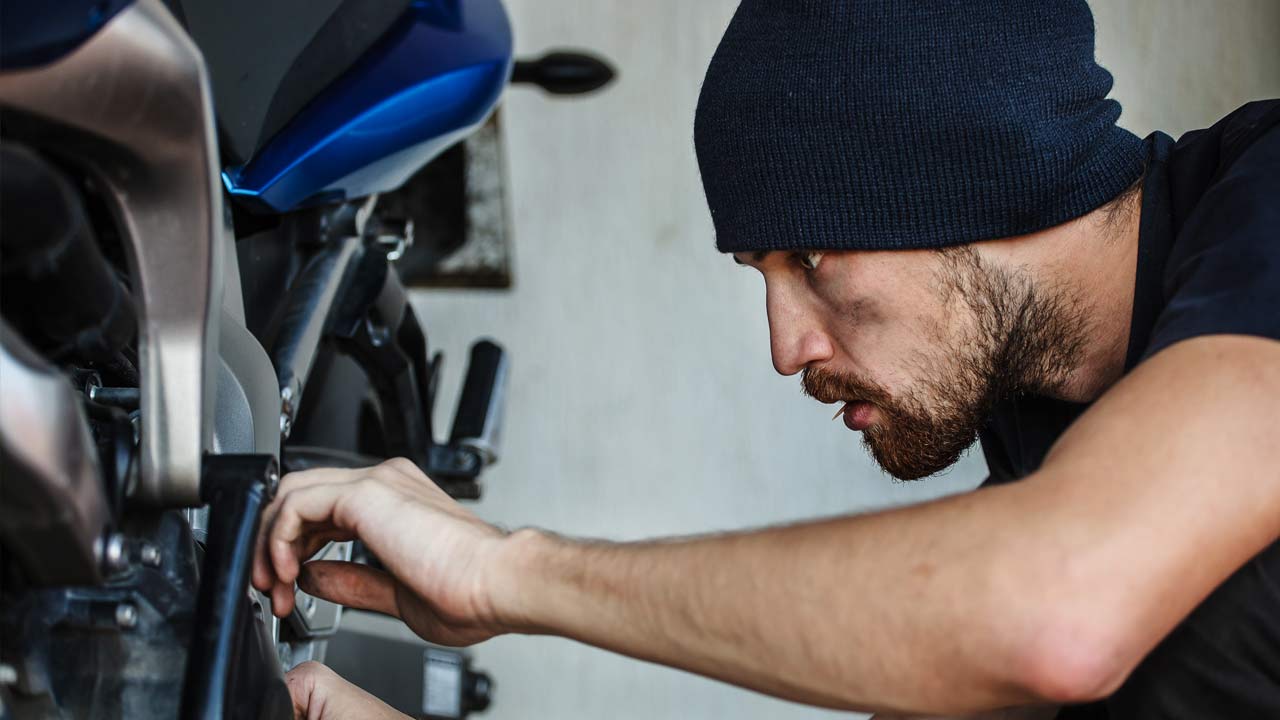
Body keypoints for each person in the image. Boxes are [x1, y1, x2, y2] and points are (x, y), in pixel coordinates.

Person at [256, 1, 1280, 717]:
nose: (786, 348)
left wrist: (503, 573)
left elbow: (1058, 612)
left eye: (808, 256)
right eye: (760, 272)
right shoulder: (1042, 429)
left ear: (972, 178)